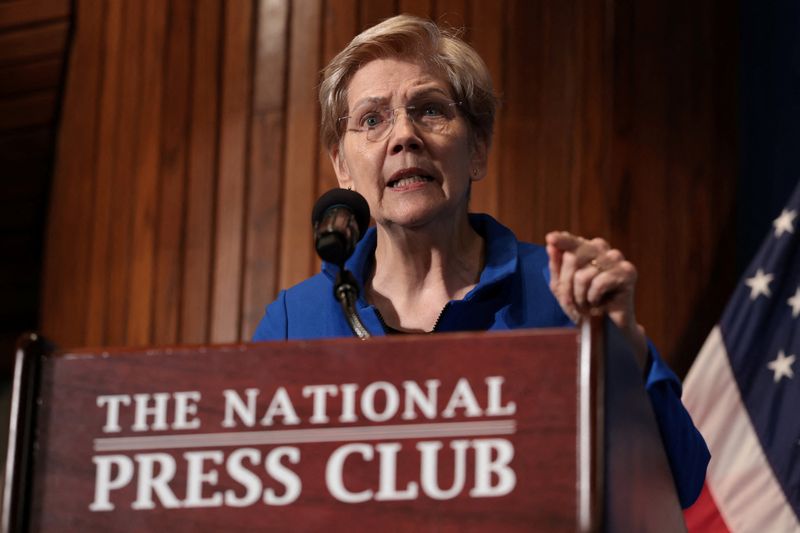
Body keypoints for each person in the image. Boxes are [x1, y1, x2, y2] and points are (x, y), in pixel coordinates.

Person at [253, 14, 709, 508]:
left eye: (429, 110)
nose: (404, 135)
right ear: (343, 165)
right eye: (372, 119)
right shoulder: (294, 321)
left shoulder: (562, 292)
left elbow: (677, 483)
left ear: (478, 149)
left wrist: (623, 348)